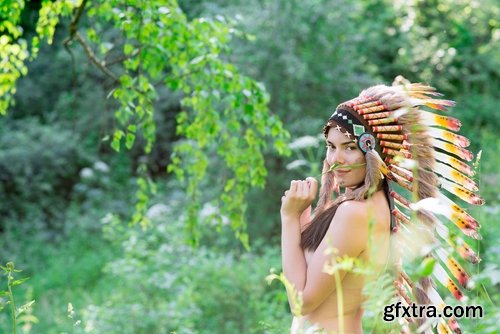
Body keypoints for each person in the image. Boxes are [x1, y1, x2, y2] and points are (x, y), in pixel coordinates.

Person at [280, 77, 483, 333]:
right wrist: (302, 215)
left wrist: (288, 218)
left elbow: (302, 303)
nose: (335, 159)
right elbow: (312, 274)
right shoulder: (371, 203)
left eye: (350, 147)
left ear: (374, 154)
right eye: (331, 146)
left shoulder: (354, 212)